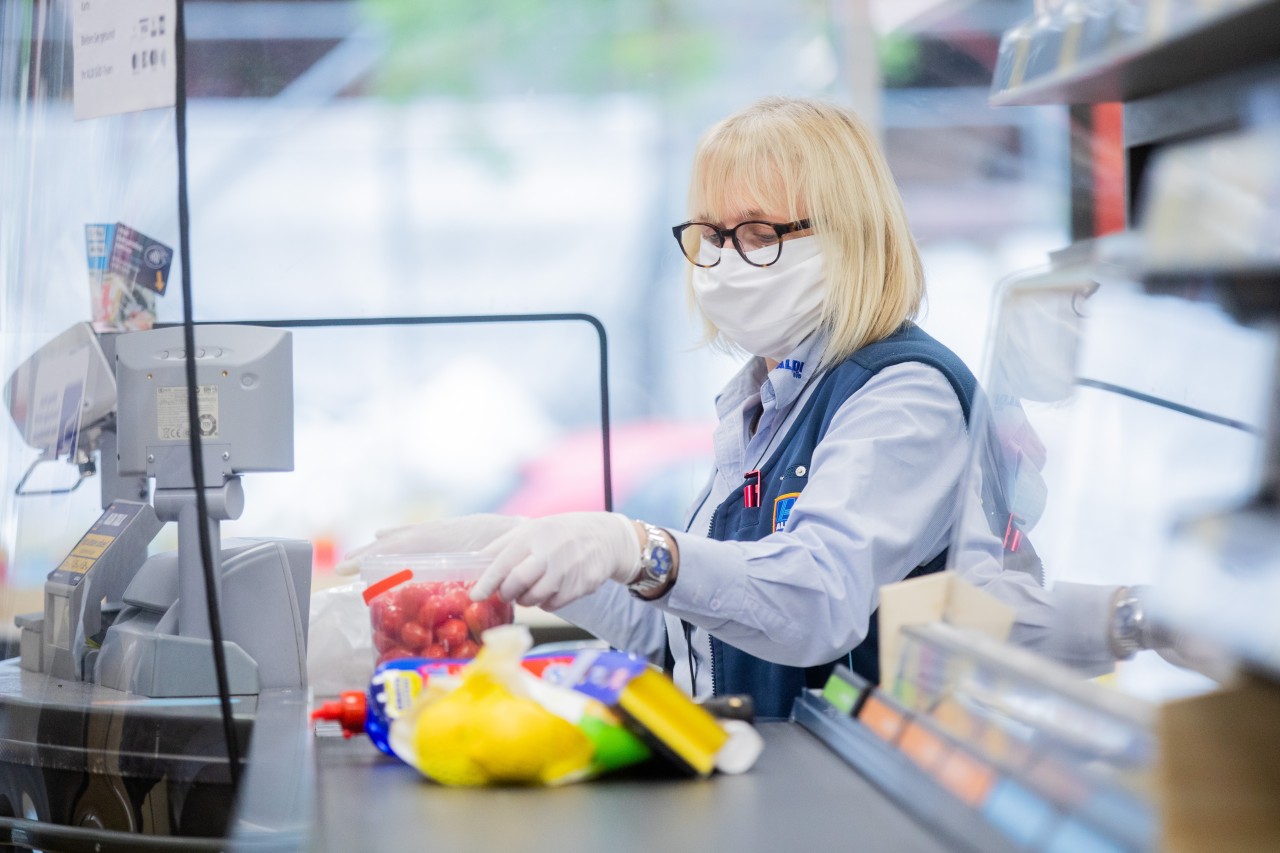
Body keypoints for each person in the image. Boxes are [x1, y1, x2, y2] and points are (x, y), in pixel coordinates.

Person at [338, 97, 1188, 717]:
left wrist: (640, 546)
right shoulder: (765, 400)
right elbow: (683, 630)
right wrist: (536, 552)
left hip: (864, 787)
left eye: (758, 232)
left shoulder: (901, 396)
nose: (721, 259)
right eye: (710, 232)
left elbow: (816, 602)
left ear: (851, 234)